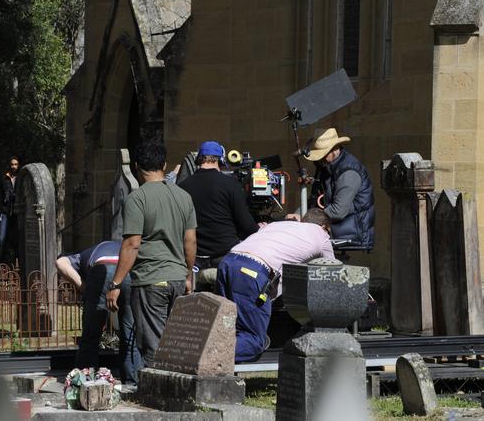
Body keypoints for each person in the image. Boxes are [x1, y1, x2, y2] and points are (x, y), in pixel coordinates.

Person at [105, 139, 197, 366]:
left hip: (150, 281)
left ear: (137, 166)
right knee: (175, 343)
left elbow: (131, 244)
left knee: (153, 347)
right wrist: (187, 275)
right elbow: (190, 241)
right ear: (164, 164)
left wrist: (115, 284)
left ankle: (160, 396)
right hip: (176, 279)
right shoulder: (183, 196)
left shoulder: (137, 198)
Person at [217, 208, 335, 363]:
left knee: (225, 327)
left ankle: (195, 351)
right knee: (254, 341)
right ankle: (202, 356)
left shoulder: (278, 225)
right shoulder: (322, 237)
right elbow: (334, 273)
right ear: (325, 227)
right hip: (252, 271)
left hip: (228, 262)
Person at [56, 240, 143, 385]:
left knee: (91, 335)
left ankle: (85, 382)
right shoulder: (124, 246)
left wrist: (83, 287)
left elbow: (61, 263)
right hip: (128, 272)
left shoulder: (82, 255)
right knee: (130, 336)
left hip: (102, 270)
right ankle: (132, 383)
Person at [179, 141, 258, 289]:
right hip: (224, 257)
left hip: (193, 259)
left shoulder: (183, 187)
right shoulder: (231, 184)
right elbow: (246, 225)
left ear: (198, 159)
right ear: (220, 160)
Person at [288, 128, 375, 249]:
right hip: (334, 229)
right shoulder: (326, 167)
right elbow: (314, 200)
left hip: (350, 232)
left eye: (322, 154)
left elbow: (337, 211)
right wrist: (296, 214)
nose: (319, 159)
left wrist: (304, 218)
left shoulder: (348, 172)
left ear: (335, 149)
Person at [0, 156, 19, 261]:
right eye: (12, 164)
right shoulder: (4, 178)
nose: (14, 166)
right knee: (2, 239)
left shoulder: (21, 178)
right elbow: (0, 196)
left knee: (16, 239)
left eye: (16, 164)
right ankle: (1, 263)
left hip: (17, 213)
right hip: (5, 212)